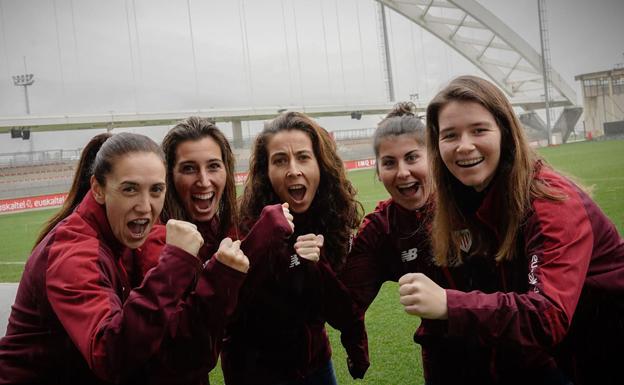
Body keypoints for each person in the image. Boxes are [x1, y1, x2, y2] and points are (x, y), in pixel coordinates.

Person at [398, 75, 624, 385]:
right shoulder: (469, 198)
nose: (464, 146)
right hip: (569, 356)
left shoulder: (551, 204)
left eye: (479, 130)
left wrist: (450, 304)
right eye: (450, 135)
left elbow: (547, 316)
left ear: (505, 132)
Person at [0, 132, 248, 385]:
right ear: (98, 189)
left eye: (156, 190)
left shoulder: (126, 236)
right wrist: (175, 264)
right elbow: (110, 356)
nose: (145, 206)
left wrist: (218, 279)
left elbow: (174, 350)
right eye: (130, 189)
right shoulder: (74, 252)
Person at [221, 111, 369, 384]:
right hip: (254, 371)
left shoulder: (333, 219)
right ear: (265, 171)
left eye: (303, 157)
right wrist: (264, 245)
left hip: (315, 365)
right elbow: (228, 311)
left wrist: (317, 265)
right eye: (280, 160)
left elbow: (343, 306)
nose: (293, 170)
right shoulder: (243, 226)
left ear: (320, 165)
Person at [338, 102, 440, 365]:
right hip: (444, 361)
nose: (403, 172)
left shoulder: (468, 200)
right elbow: (346, 304)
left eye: (412, 157)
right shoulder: (380, 229)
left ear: (433, 157)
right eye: (389, 163)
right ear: (379, 171)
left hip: (515, 355)